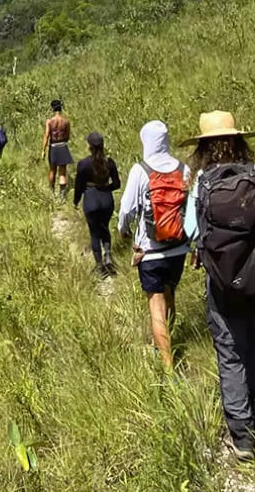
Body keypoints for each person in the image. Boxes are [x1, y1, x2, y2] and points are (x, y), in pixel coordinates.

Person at [182, 110, 255, 462]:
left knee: (231, 354)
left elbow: (191, 233)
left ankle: (242, 436)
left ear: (203, 147)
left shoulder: (201, 183)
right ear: (239, 140)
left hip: (222, 285)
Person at [118, 120, 191, 373]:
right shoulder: (184, 169)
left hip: (150, 250)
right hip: (179, 248)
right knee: (170, 295)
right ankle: (169, 340)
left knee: (156, 305)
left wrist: (122, 230)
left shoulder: (140, 170)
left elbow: (127, 209)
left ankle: (167, 365)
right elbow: (190, 209)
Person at [73, 132, 121, 277]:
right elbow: (117, 184)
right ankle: (108, 256)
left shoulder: (83, 164)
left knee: (94, 234)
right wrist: (106, 189)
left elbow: (79, 186)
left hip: (91, 199)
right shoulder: (109, 162)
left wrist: (76, 201)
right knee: (105, 229)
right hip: (107, 200)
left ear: (89, 146)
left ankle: (100, 266)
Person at [42, 100, 73, 201]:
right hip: (63, 146)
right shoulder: (66, 121)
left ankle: (52, 192)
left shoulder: (49, 122)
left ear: (52, 109)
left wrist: (43, 150)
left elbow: (46, 136)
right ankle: (62, 195)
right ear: (61, 108)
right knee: (62, 172)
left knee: (52, 170)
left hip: (53, 147)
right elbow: (68, 135)